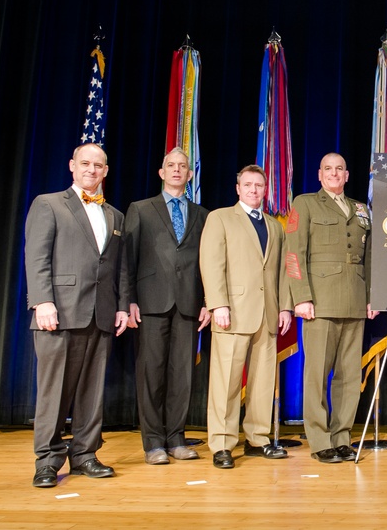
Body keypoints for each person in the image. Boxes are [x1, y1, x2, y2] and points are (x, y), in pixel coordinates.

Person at [24, 143, 130, 488]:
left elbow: (119, 268)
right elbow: (36, 256)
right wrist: (42, 301)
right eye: (85, 163)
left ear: (106, 170)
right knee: (54, 391)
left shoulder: (115, 215)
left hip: (100, 313)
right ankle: (48, 460)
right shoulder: (49, 203)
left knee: (91, 390)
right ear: (72, 166)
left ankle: (85, 454)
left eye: (98, 165)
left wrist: (121, 305)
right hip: (60, 312)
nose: (91, 170)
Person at [284, 152, 376, 464]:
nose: (334, 173)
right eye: (328, 169)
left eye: (339, 169)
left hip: (354, 299)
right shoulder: (305, 203)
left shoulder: (362, 209)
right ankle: (320, 439)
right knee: (316, 374)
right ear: (319, 174)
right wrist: (301, 297)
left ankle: (342, 438)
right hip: (319, 302)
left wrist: (371, 296)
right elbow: (294, 252)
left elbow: (371, 256)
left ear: (347, 175)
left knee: (350, 377)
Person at [199, 165, 293, 469]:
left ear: (265, 190)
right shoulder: (220, 218)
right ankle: (222, 443)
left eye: (259, 186)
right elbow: (211, 264)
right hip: (233, 312)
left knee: (263, 382)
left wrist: (285, 307)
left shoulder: (274, 226)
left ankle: (258, 439)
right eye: (248, 185)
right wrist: (218, 304)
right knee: (225, 382)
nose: (254, 190)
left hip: (266, 314)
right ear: (238, 188)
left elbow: (280, 271)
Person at [123, 148, 210, 465]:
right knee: (151, 374)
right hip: (150, 304)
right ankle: (153, 443)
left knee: (182, 376)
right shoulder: (141, 209)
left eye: (183, 166)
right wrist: (128, 299)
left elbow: (207, 263)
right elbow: (127, 260)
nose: (176, 170)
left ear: (190, 175)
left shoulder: (202, 215)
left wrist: (208, 302)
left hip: (188, 304)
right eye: (171, 165)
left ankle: (176, 438)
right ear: (161, 173)